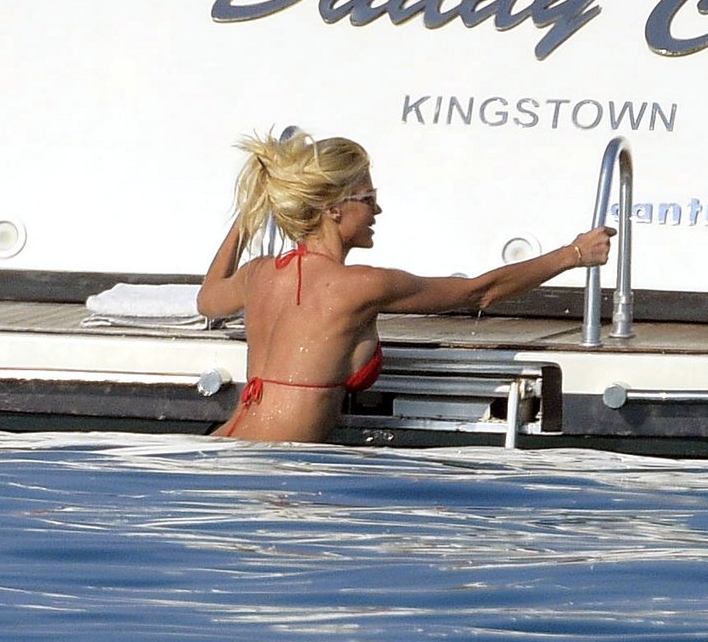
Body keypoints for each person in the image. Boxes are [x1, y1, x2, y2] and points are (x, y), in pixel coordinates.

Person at [198, 129, 615, 442]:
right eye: (367, 198)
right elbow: (480, 293)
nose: (377, 208)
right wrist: (574, 254)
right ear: (333, 209)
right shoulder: (361, 285)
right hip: (277, 470)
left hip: (226, 447)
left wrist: (247, 217)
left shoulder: (259, 273)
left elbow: (207, 299)